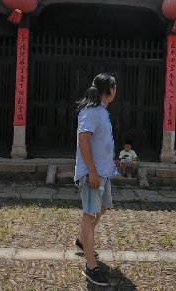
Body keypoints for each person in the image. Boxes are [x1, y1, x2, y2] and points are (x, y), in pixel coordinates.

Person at [73, 73, 117, 286]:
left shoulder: (102, 111)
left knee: (101, 209)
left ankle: (83, 240)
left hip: (104, 172)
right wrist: (91, 172)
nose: (116, 91)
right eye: (114, 87)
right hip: (93, 173)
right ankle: (91, 266)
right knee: (90, 215)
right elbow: (83, 141)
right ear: (109, 90)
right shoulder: (90, 112)